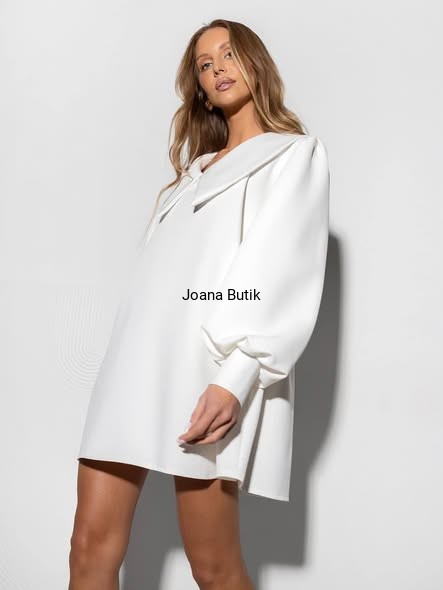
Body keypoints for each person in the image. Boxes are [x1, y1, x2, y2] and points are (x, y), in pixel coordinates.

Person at [69, 18, 330, 590]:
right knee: (88, 546)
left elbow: (277, 272)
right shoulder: (188, 178)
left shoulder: (291, 156)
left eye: (228, 54)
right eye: (205, 65)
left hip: (203, 373)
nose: (217, 69)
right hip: (130, 368)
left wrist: (236, 379)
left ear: (256, 62)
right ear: (201, 89)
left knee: (212, 565)